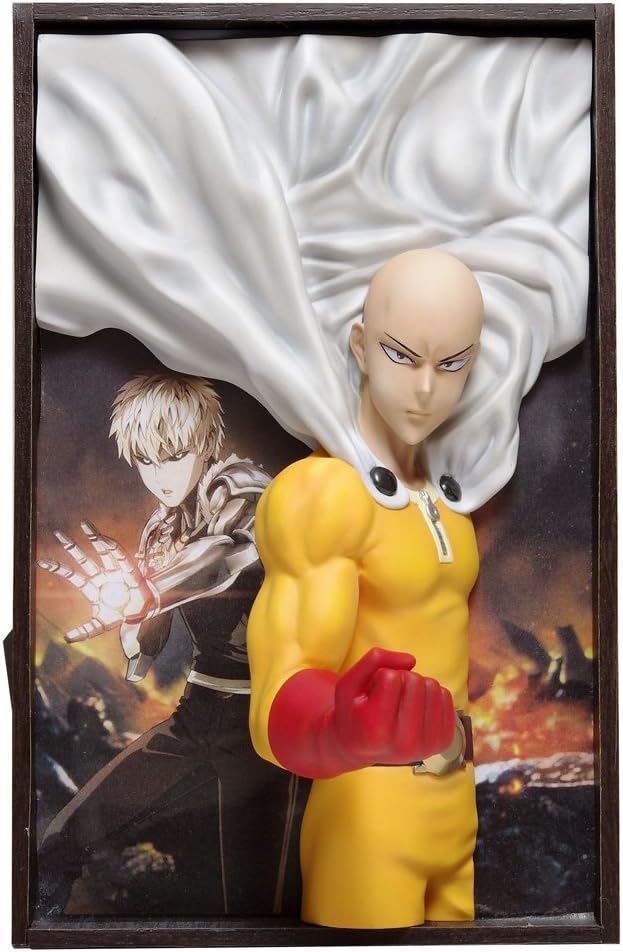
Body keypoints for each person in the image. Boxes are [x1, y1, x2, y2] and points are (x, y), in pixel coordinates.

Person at [248, 250, 484, 929]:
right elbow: (279, 691)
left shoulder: (452, 509)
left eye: (451, 364)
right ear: (360, 346)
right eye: (401, 355)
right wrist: (335, 728)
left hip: (457, 812)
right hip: (368, 814)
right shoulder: (325, 494)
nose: (424, 390)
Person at [37, 373, 301, 917]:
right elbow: (147, 648)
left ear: (205, 444)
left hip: (266, 723)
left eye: (174, 455)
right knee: (61, 844)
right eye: (146, 461)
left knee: (253, 908)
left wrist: (151, 588)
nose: (160, 475)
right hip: (198, 713)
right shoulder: (159, 531)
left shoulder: (242, 487)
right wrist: (128, 610)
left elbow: (230, 551)